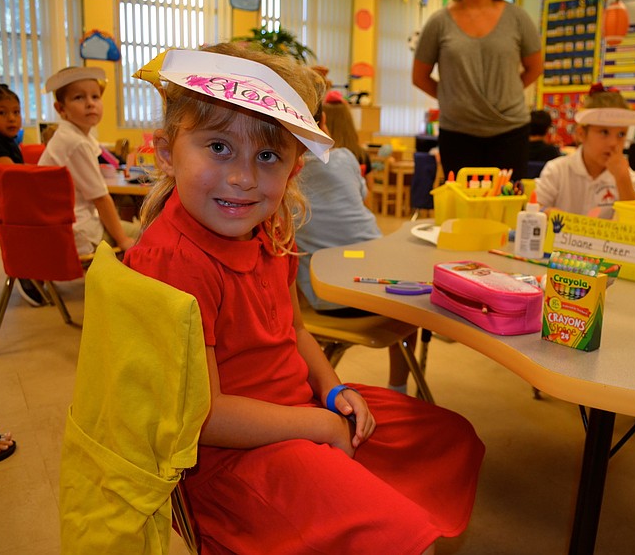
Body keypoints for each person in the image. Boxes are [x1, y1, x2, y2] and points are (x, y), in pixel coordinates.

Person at [125, 43, 484, 554]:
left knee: (450, 438)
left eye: (267, 155)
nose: (243, 177)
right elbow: (201, 416)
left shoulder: (269, 228)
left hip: (299, 410)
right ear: (166, 152)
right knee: (400, 537)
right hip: (232, 458)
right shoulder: (172, 261)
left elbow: (293, 331)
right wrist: (318, 423)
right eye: (219, 147)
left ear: (295, 167)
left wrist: (334, 391)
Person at [295, 95, 417, 394]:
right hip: (388, 291)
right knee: (411, 316)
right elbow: (363, 204)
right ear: (324, 125)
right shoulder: (346, 157)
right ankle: (398, 388)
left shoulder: (278, 174)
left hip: (326, 299)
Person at [412, 0, 543, 181]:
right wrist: (453, 99)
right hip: (457, 133)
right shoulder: (438, 22)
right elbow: (419, 77)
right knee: (462, 206)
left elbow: (535, 68)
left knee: (507, 205)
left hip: (510, 131)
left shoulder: (517, 18)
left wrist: (507, 93)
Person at [38, 67, 138, 255]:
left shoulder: (73, 137)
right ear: (61, 109)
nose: (90, 104)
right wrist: (123, 240)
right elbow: (100, 198)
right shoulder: (75, 143)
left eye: (95, 97)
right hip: (79, 231)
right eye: (79, 97)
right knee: (146, 234)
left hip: (61, 226)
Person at [535, 84, 635, 218]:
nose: (613, 143)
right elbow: (535, 208)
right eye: (604, 132)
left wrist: (623, 180)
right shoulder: (557, 170)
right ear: (581, 134)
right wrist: (547, 212)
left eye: (621, 134)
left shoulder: (624, 175)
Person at [0, 84, 51, 307]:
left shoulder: (10, 141)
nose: (11, 118)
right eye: (2, 113)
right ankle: (27, 275)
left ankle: (35, 274)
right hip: (5, 205)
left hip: (14, 202)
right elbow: (12, 172)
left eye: (16, 112)